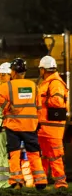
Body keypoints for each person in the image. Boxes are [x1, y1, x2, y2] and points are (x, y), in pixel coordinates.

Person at [0, 58, 47, 189]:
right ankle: (40, 181)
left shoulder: (9, 86)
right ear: (24, 72)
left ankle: (16, 181)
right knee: (34, 153)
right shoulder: (33, 86)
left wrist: (7, 106)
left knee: (14, 153)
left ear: (13, 72)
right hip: (30, 125)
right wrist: (38, 122)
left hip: (14, 126)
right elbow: (39, 106)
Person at [36, 55, 68, 189]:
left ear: (43, 69)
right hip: (45, 127)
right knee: (43, 155)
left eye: (40, 69)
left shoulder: (55, 83)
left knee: (55, 155)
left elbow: (57, 101)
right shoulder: (47, 82)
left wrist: (42, 100)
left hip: (53, 128)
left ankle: (61, 183)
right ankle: (41, 182)